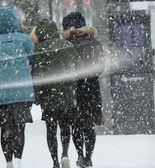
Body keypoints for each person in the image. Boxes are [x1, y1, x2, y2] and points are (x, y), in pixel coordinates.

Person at [0, 6, 35, 168]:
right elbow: (33, 58)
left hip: (0, 93)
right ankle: (18, 160)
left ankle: (8, 161)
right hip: (22, 91)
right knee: (19, 127)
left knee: (5, 128)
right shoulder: (24, 39)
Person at [30, 19, 79, 168]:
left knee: (51, 130)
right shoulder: (68, 45)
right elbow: (78, 67)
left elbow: (37, 76)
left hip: (48, 95)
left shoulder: (40, 49)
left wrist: (37, 96)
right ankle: (65, 154)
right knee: (65, 127)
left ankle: (55, 161)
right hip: (67, 93)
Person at [61, 12, 104, 168]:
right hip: (92, 89)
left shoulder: (67, 45)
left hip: (74, 90)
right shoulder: (95, 43)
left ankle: (79, 155)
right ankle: (89, 157)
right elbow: (101, 68)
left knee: (76, 125)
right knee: (89, 125)